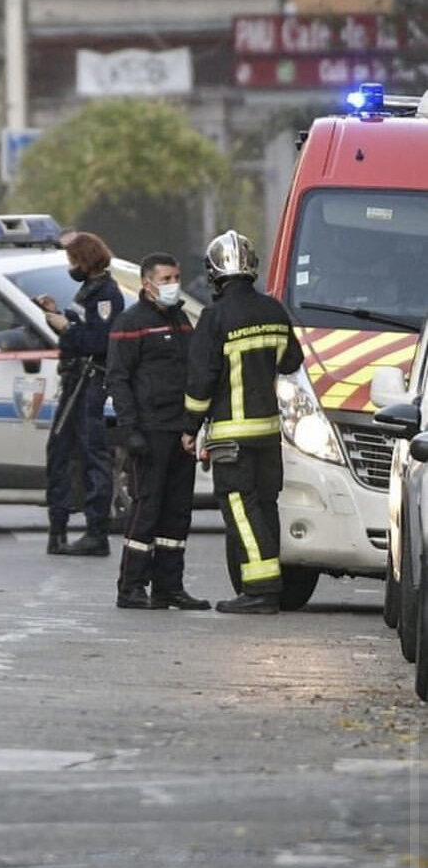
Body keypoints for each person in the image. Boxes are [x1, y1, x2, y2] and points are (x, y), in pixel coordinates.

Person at [181, 229, 305, 615]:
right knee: (265, 506)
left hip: (230, 435)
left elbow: (201, 379)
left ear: (214, 272)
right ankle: (268, 585)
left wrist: (190, 426)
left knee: (239, 506)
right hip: (268, 433)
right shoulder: (273, 310)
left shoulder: (214, 317)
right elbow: (292, 361)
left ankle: (261, 588)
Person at [106, 252, 209, 610]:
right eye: (166, 279)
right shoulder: (131, 322)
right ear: (147, 282)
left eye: (176, 277)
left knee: (177, 512)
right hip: (149, 431)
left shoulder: (181, 319)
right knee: (146, 510)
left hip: (180, 430)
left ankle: (169, 587)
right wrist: (130, 429)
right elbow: (117, 379)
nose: (173, 285)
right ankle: (131, 587)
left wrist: (193, 423)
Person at [35, 230, 124, 556]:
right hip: (76, 381)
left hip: (90, 383)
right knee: (58, 452)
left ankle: (95, 532)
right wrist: (56, 313)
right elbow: (80, 331)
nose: (69, 266)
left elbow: (98, 341)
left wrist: (66, 327)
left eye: (72, 259)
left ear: (84, 259)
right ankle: (57, 527)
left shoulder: (104, 295)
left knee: (92, 455)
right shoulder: (88, 290)